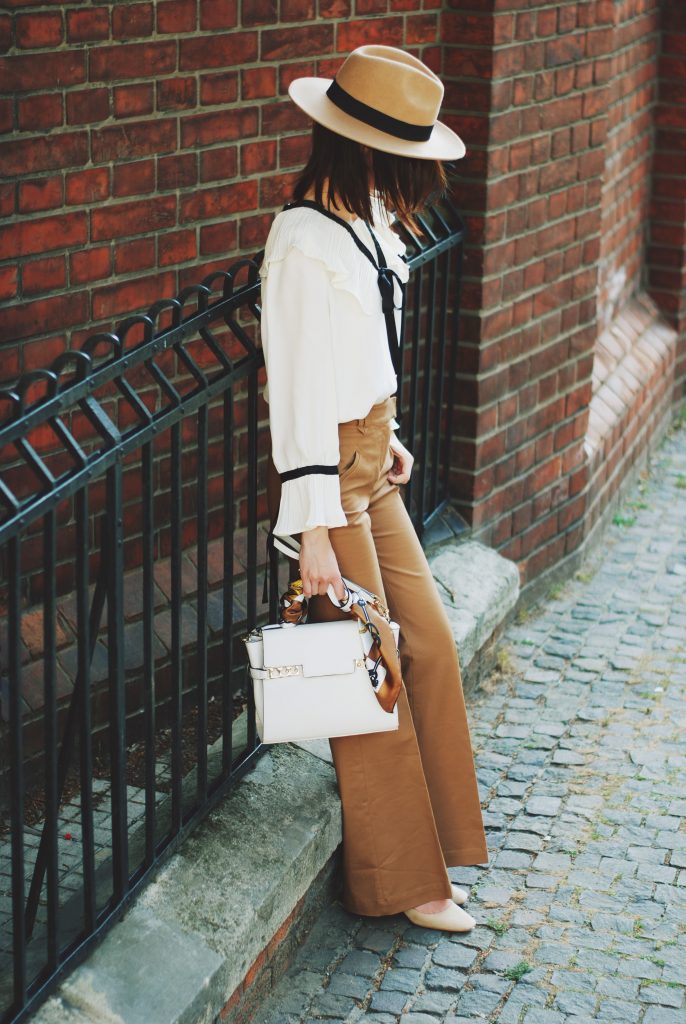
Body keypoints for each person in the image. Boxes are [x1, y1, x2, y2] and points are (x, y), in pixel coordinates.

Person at [260, 45, 488, 932]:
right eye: (414, 157)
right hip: (329, 478)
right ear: (370, 151)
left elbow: (364, 354)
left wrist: (388, 437)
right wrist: (313, 524)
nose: (425, 175)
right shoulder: (303, 241)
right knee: (373, 671)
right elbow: (299, 389)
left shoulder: (368, 226)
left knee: (425, 645)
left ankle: (444, 844)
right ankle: (399, 883)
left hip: (367, 463)